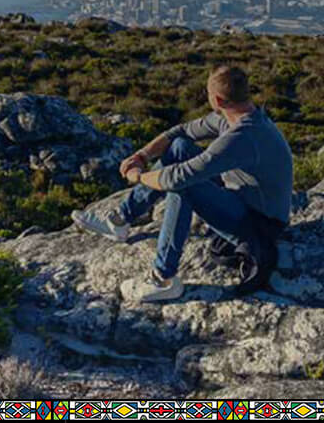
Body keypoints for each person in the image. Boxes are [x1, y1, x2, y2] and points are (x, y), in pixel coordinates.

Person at [71, 65, 293, 302]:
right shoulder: (232, 117)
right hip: (242, 198)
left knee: (183, 185)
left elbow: (178, 178)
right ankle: (120, 220)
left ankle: (163, 278)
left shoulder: (244, 135)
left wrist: (138, 176)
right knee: (179, 148)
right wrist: (142, 156)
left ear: (217, 99)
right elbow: (180, 132)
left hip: (260, 224)